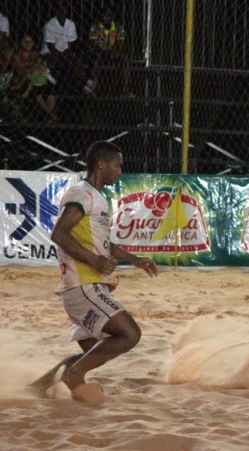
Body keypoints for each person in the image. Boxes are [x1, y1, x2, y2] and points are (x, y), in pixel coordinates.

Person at [29, 141, 159, 401]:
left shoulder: (96, 197)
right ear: (101, 164)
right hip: (82, 285)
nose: (120, 171)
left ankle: (36, 388)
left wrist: (135, 260)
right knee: (130, 334)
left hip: (86, 286)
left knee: (91, 353)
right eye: (117, 165)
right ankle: (73, 377)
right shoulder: (81, 194)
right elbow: (59, 234)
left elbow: (103, 243)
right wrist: (95, 261)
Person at [10, 33, 58, 120]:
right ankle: (49, 115)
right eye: (25, 41)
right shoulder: (16, 55)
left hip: (39, 78)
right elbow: (20, 71)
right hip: (24, 80)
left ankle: (48, 118)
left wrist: (39, 68)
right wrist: (34, 68)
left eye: (30, 41)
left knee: (51, 93)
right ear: (20, 42)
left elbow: (43, 66)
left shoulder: (37, 54)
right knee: (36, 89)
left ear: (33, 43)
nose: (28, 43)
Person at [89, 8, 132, 96]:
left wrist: (114, 48)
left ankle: (125, 88)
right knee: (96, 56)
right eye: (106, 15)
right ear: (101, 16)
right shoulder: (95, 27)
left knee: (125, 58)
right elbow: (94, 43)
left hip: (113, 53)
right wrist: (107, 48)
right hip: (100, 52)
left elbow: (121, 43)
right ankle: (94, 87)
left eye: (111, 16)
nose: (109, 18)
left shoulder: (118, 27)